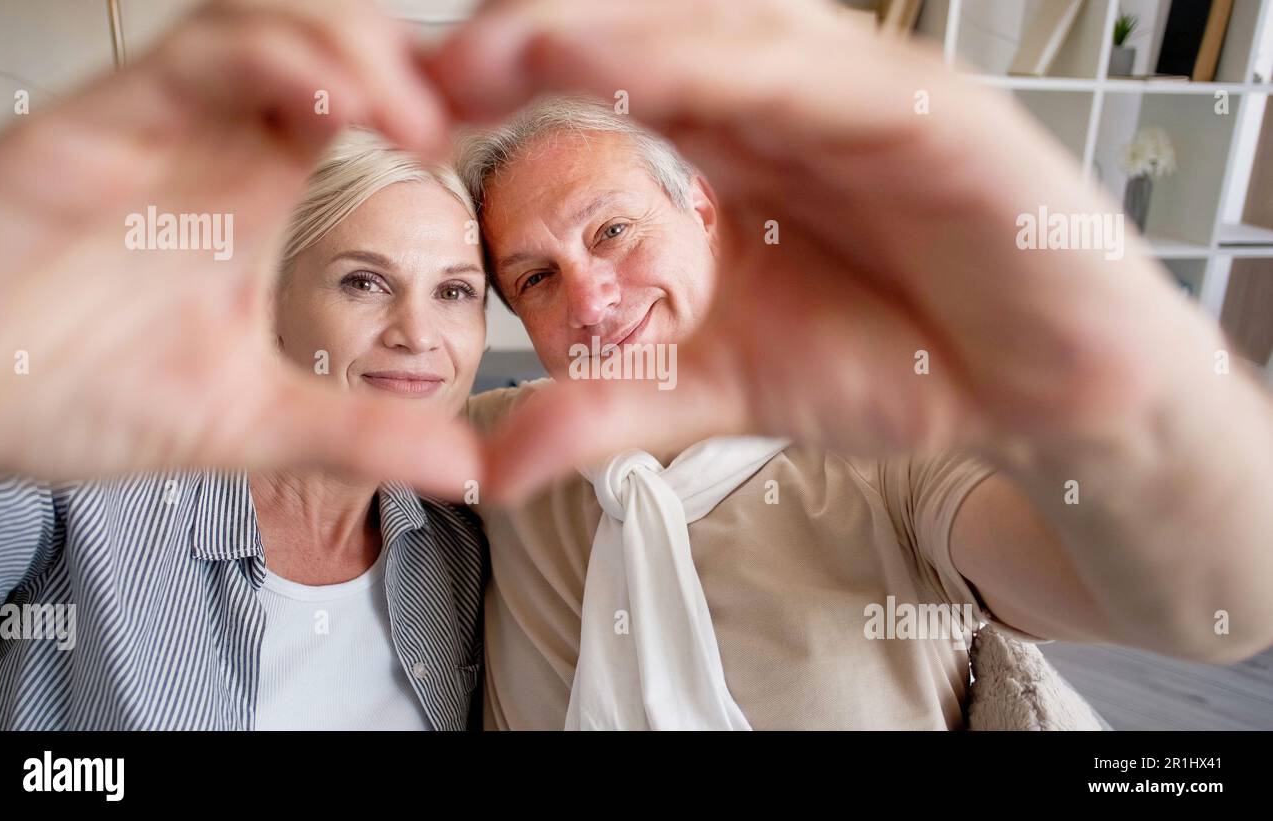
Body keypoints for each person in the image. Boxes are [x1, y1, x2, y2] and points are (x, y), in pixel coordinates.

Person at [426, 0, 1273, 729]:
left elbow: (1220, 599)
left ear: (706, 211)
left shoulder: (893, 447)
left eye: (612, 230)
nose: (590, 300)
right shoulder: (505, 448)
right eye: (535, 277)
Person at [0, 0, 487, 728]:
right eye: (364, 281)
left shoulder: (457, 549)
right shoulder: (89, 483)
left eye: (455, 291)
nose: (417, 333)